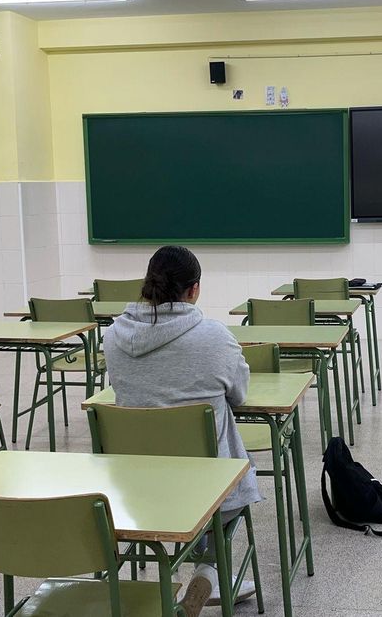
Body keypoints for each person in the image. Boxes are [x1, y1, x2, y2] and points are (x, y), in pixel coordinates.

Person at [103, 245, 262, 614]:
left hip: (135, 486)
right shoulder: (215, 337)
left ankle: (206, 577)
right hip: (206, 486)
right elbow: (239, 394)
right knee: (233, 479)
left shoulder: (112, 338)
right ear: (194, 290)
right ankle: (207, 572)